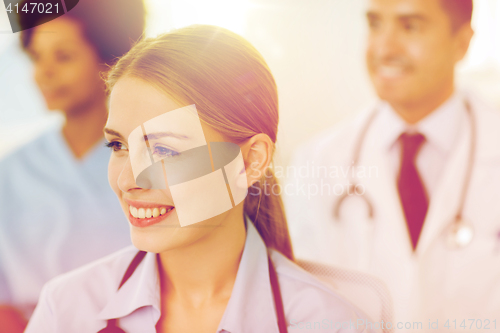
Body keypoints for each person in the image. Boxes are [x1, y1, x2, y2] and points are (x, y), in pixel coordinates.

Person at [24, 25, 375, 333]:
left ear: (251, 161)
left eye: (163, 150)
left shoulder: (334, 324)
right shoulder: (65, 310)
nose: (128, 179)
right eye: (117, 145)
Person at [285, 0, 500, 328]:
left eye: (409, 26)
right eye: (374, 24)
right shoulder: (316, 162)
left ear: (462, 42)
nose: (383, 48)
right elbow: (300, 306)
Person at [0, 0, 145, 329]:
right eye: (36, 57)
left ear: (110, 60)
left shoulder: (151, 163)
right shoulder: (10, 173)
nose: (44, 73)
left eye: (63, 56)